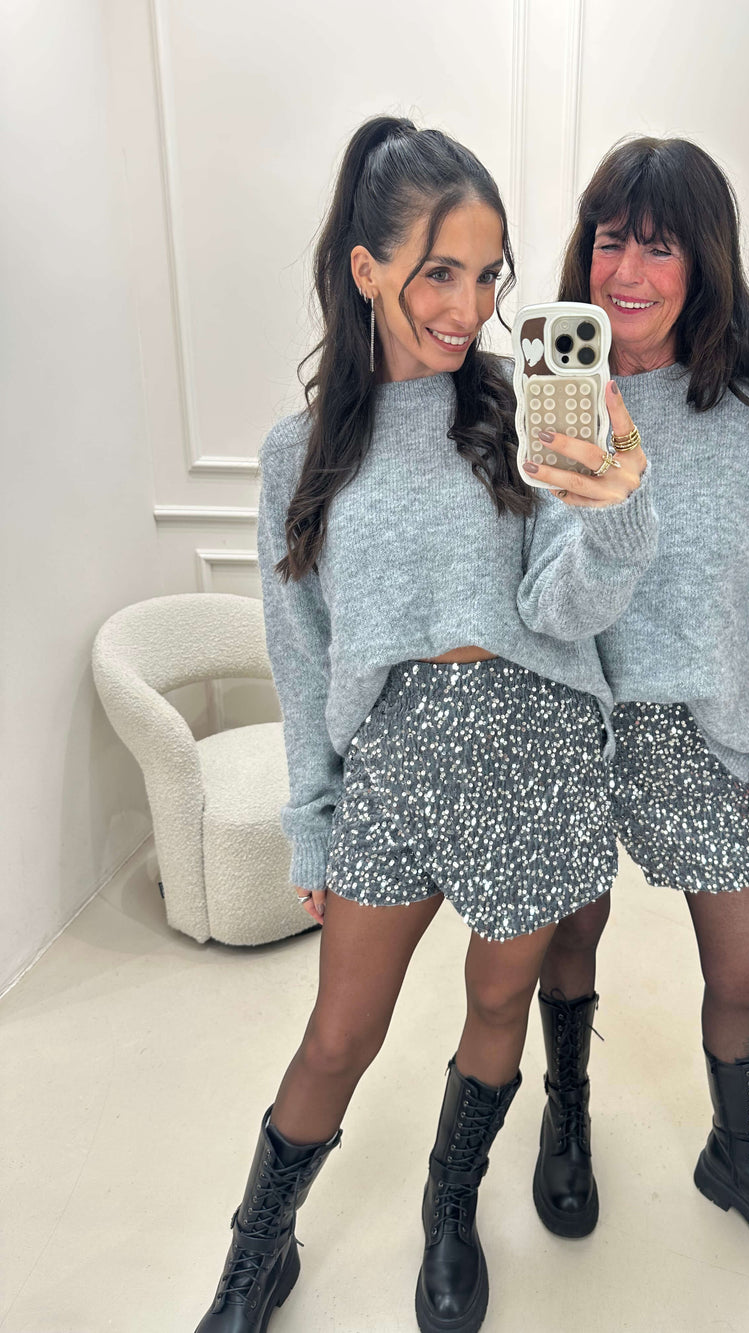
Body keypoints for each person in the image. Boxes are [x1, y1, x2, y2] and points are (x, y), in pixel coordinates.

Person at [194, 116, 656, 1333]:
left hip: (536, 750)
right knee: (336, 1034)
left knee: (497, 1006)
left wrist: (614, 510)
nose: (470, 306)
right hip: (393, 765)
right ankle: (256, 1253)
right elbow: (302, 655)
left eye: (489, 273)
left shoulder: (523, 412)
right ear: (366, 268)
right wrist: (312, 817)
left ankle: (449, 1210)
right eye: (439, 271)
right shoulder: (298, 456)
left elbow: (561, 606)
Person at [525, 136, 749, 1283]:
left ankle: (738, 1156)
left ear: (703, 260)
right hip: (568, 716)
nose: (627, 271)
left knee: (748, 971)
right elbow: (523, 583)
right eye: (611, 240)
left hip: (697, 722)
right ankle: (566, 1112)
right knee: (569, 935)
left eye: (658, 247)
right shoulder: (546, 397)